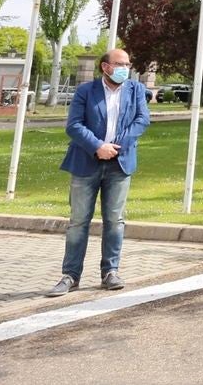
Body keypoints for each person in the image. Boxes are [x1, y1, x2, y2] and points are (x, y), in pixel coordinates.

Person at [47, 49, 152, 297]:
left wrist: (116, 147)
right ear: (105, 67)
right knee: (79, 221)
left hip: (120, 163)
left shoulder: (136, 90)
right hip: (86, 162)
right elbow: (74, 125)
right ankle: (70, 275)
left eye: (128, 63)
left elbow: (142, 120)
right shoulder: (86, 91)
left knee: (114, 220)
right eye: (120, 64)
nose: (125, 68)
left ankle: (110, 272)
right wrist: (98, 147)